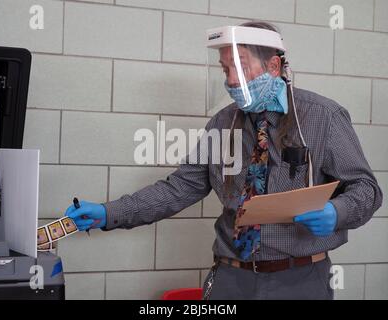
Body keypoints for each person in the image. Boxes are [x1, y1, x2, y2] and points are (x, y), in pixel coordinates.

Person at [64, 21, 383, 300]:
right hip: (231, 278)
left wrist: (337, 212)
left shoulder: (322, 116)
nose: (231, 79)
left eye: (240, 67)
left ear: (273, 67)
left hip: (300, 280)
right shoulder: (222, 123)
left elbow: (367, 190)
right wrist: (109, 213)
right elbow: (178, 189)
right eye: (224, 68)